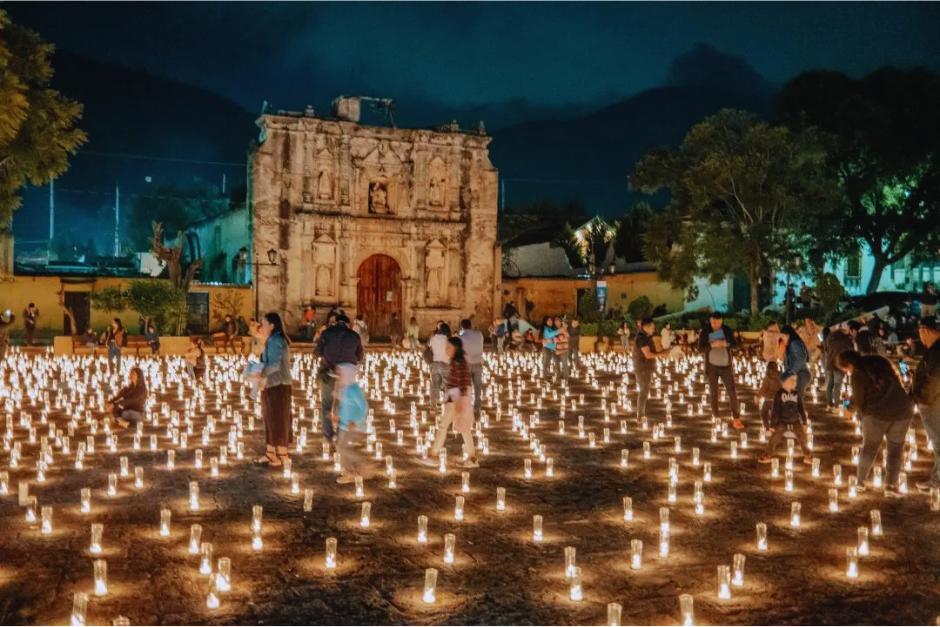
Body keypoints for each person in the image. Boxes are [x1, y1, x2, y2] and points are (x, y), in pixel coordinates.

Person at [837, 350, 914, 496]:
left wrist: (847, 405)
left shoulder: (857, 373)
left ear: (848, 365)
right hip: (902, 409)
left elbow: (859, 400)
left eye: (845, 369)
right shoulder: (880, 360)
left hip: (876, 415)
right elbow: (898, 377)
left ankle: (859, 482)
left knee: (870, 448)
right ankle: (891, 486)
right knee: (896, 449)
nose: (847, 372)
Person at [427, 336, 479, 469]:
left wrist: (459, 401)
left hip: (457, 398)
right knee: (463, 428)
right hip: (454, 397)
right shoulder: (456, 361)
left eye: (448, 347)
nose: (446, 349)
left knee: (445, 425)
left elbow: (464, 382)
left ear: (455, 348)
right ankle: (472, 457)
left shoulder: (459, 363)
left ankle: (434, 453)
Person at [251, 312, 293, 468]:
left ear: (272, 325)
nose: (261, 327)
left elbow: (274, 365)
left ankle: (282, 455)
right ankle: (271, 453)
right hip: (271, 385)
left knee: (278, 418)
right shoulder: (271, 341)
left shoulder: (276, 341)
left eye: (263, 323)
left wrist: (259, 373)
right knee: (270, 417)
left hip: (278, 386)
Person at [315, 313, 363, 445]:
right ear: (348, 324)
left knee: (326, 406)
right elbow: (359, 357)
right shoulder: (354, 336)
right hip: (346, 375)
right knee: (343, 406)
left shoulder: (327, 333)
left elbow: (317, 352)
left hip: (328, 374)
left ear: (335, 322)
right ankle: (340, 438)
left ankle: (328, 437)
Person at [698, 312, 742, 429]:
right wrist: (712, 345)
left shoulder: (727, 330)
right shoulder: (705, 331)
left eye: (717, 322)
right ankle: (716, 416)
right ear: (710, 321)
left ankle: (736, 417)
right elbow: (700, 348)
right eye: (713, 322)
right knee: (714, 392)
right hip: (712, 366)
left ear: (721, 321)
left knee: (732, 391)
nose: (715, 325)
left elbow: (735, 345)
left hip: (726, 365)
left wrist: (725, 344)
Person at [758, 371, 812, 464]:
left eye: (795, 380)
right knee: (774, 438)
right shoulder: (779, 394)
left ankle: (807, 455)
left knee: (802, 437)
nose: (795, 382)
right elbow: (775, 409)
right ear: (785, 381)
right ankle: (768, 454)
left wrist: (804, 421)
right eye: (792, 380)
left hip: (795, 420)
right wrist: (772, 424)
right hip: (782, 421)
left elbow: (801, 408)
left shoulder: (796, 393)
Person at [912, 316, 940, 493]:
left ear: (926, 331)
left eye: (921, 332)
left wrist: (922, 398)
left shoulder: (936, 352)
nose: (920, 337)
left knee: (938, 442)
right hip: (932, 401)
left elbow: (933, 379)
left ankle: (937, 481)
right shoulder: (934, 349)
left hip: (933, 403)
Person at [331, 363, 368, 484]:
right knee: (339, 447)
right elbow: (344, 406)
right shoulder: (345, 389)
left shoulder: (354, 389)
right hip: (343, 424)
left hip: (352, 425)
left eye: (340, 374)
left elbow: (363, 407)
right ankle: (348, 470)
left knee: (342, 448)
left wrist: (356, 421)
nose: (338, 376)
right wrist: (337, 416)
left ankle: (358, 466)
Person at [635, 317, 669, 420]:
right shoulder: (642, 338)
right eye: (653, 327)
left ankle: (642, 413)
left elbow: (652, 352)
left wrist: (662, 352)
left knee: (645, 390)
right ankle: (640, 415)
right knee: (644, 391)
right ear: (647, 326)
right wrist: (662, 354)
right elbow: (648, 355)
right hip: (643, 368)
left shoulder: (646, 337)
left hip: (646, 368)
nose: (654, 330)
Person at [822, 324, 854, 409]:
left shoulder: (830, 338)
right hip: (839, 365)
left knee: (830, 384)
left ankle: (829, 403)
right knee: (837, 385)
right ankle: (836, 405)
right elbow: (851, 352)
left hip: (830, 363)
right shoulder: (846, 340)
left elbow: (825, 349)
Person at [458, 319, 485, 414]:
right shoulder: (479, 334)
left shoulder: (461, 338)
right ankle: (477, 406)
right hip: (478, 363)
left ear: (462, 327)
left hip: (467, 364)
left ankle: (466, 405)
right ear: (471, 325)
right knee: (478, 386)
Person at [780, 325, 811, 403]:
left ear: (788, 335)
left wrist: (791, 371)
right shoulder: (791, 344)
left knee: (797, 399)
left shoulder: (794, 343)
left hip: (800, 375)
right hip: (797, 374)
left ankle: (798, 413)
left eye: (783, 336)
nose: (782, 338)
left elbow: (801, 358)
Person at [428, 323, 451, 404]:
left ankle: (433, 406)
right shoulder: (448, 340)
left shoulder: (433, 338)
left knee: (434, 385)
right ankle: (447, 404)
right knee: (447, 385)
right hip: (446, 364)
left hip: (435, 363)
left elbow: (430, 348)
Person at [757, 361, 782, 429]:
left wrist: (758, 396)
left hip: (768, 400)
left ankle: (768, 427)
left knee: (763, 414)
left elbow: (763, 388)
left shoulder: (768, 377)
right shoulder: (780, 376)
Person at [552, 317, 570, 382]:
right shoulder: (553, 330)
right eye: (555, 321)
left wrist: (564, 331)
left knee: (564, 364)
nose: (556, 323)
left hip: (563, 349)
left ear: (560, 322)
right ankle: (558, 378)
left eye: (558, 321)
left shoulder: (564, 329)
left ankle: (566, 379)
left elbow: (568, 336)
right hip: (555, 349)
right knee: (556, 365)